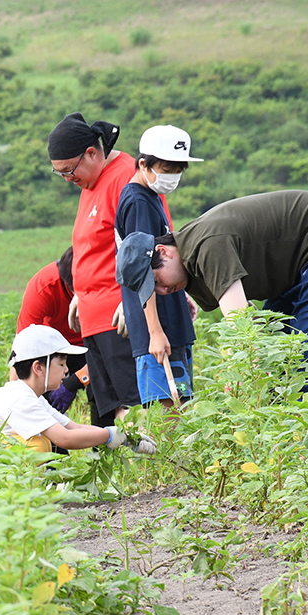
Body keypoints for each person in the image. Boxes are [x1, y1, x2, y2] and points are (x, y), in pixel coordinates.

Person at [117, 190, 308, 347]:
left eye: (156, 281)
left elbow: (239, 325)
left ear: (163, 251)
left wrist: (239, 372)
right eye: (154, 290)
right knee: (278, 343)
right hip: (294, 270)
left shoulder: (205, 247)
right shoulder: (189, 262)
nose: (163, 291)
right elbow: (249, 316)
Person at [47, 111, 141, 425]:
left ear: (91, 153)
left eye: (69, 171)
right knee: (106, 413)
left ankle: (149, 474)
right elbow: (93, 246)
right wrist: (81, 292)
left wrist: (133, 300)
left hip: (118, 315)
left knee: (132, 407)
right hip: (92, 316)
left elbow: (144, 243)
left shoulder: (125, 176)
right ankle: (119, 476)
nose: (67, 179)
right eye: (59, 173)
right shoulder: (90, 182)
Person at [0, 325, 157, 455]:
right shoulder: (20, 398)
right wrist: (109, 436)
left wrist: (125, 436)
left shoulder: (30, 396)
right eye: (61, 364)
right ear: (38, 368)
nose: (67, 371)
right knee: (38, 446)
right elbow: (65, 438)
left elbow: (73, 428)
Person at [114, 125, 200, 408]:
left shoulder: (151, 198)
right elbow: (141, 271)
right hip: (159, 328)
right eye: (166, 168)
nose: (172, 176)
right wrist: (155, 331)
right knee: (168, 409)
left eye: (178, 169)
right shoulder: (138, 202)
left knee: (182, 402)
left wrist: (180, 294)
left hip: (170, 320)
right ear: (143, 164)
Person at [16, 247, 92, 414]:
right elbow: (22, 352)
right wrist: (18, 401)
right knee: (38, 386)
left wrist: (77, 380)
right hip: (57, 345)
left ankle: (102, 433)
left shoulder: (104, 285)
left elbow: (110, 351)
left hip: (93, 343)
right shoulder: (43, 287)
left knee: (103, 390)